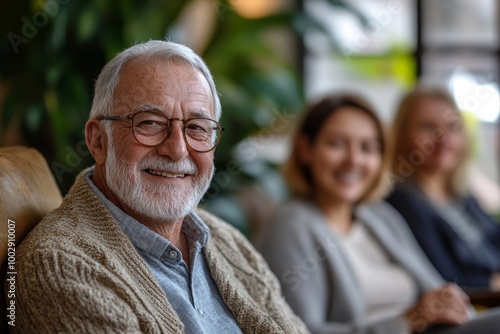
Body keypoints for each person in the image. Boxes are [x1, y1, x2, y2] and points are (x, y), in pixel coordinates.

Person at [8, 40, 308, 334]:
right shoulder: (62, 267)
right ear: (98, 141)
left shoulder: (224, 238)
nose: (177, 150)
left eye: (197, 127)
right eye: (150, 123)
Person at [256, 93, 500, 334]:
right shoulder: (291, 225)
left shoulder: (380, 216)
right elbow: (297, 331)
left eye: (368, 148)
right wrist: (406, 321)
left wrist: (448, 302)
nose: (354, 160)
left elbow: (436, 288)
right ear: (305, 149)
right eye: (337, 144)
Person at [386, 86, 500, 291]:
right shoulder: (401, 202)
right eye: (428, 127)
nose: (443, 138)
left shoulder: (462, 196)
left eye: (453, 127)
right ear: (401, 134)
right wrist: (492, 284)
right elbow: (444, 279)